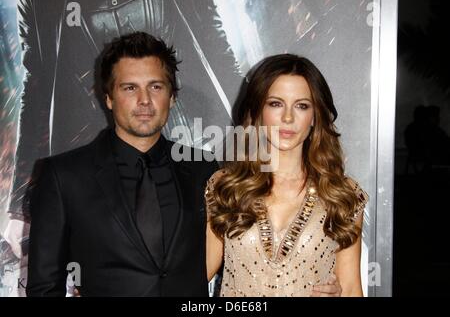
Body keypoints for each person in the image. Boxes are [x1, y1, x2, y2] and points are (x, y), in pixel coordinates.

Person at [26, 32, 218, 296]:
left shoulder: (203, 168)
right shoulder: (64, 177)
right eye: (130, 88)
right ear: (108, 97)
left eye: (155, 86)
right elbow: (44, 287)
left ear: (172, 96)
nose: (144, 100)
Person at [205, 54, 368, 297]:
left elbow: (352, 289)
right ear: (258, 111)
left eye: (302, 106)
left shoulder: (342, 195)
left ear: (315, 117)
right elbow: (196, 277)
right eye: (276, 104)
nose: (288, 118)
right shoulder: (225, 187)